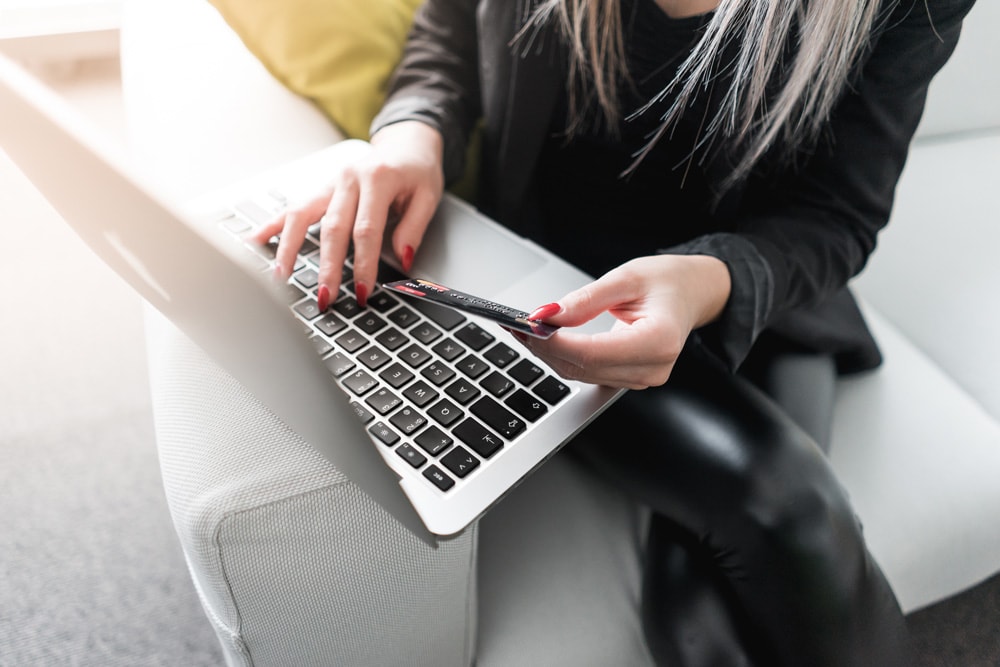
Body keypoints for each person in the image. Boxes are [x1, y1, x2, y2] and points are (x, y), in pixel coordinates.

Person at [254, 0, 976, 664]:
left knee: (771, 543)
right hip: (552, 292)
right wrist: (411, 134)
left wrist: (704, 281)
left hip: (752, 303)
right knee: (718, 618)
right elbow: (446, 37)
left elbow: (837, 215)